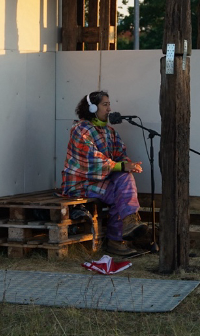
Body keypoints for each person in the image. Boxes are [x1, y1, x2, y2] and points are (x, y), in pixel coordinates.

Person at [61, 90, 147, 257]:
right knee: (119, 194)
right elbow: (92, 159)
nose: (109, 109)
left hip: (101, 180)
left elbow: (119, 154)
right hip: (80, 183)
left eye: (109, 105)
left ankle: (129, 223)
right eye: (105, 105)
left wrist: (129, 165)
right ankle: (116, 240)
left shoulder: (109, 131)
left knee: (125, 177)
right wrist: (121, 166)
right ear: (92, 107)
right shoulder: (81, 130)